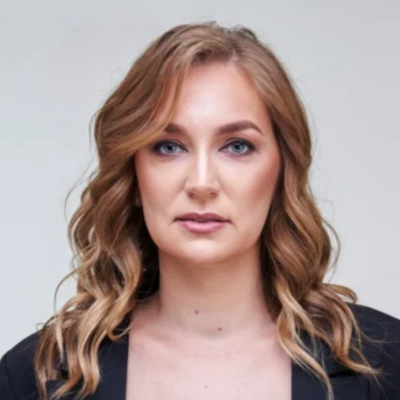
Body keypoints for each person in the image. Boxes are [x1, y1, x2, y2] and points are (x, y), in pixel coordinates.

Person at [1, 21, 399, 400]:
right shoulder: (35, 377)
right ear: (133, 174)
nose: (202, 182)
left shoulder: (386, 362)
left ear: (283, 171)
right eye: (169, 147)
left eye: (237, 146)